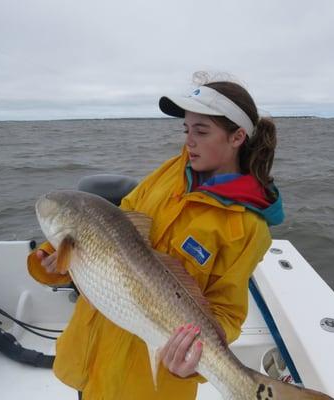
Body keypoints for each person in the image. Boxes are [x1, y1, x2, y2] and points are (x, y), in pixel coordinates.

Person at [27, 77, 284, 399]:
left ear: (237, 137)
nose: (189, 141)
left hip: (151, 382)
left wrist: (192, 360)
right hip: (91, 356)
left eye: (201, 132)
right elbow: (113, 222)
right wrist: (52, 259)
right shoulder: (171, 171)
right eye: (186, 129)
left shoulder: (248, 228)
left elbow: (228, 314)